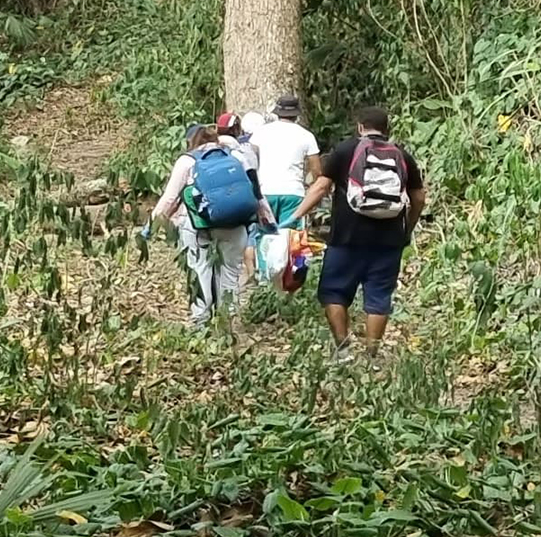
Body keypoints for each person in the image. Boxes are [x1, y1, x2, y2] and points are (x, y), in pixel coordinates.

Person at [299, 104, 426, 358]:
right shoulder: (401, 154)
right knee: (378, 297)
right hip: (389, 240)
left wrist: (294, 216)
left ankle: (343, 350)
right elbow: (419, 197)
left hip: (346, 238)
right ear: (387, 130)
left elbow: (321, 187)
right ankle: (371, 355)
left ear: (360, 128)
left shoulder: (346, 150)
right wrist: (406, 229)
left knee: (334, 291)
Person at [144, 120, 271, 330]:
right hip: (235, 224)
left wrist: (150, 227)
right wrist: (267, 220)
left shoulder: (187, 161)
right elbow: (256, 192)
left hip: (197, 227)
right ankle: (226, 326)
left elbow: (169, 199)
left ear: (191, 141)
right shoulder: (237, 157)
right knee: (230, 273)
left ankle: (200, 325)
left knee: (200, 270)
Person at [251, 93, 323, 239]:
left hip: (265, 192)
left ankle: (265, 262)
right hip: (293, 193)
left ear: (277, 112)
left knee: (264, 238)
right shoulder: (306, 135)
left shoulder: (260, 133)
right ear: (296, 114)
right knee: (289, 240)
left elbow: (251, 160)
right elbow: (317, 171)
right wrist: (312, 189)